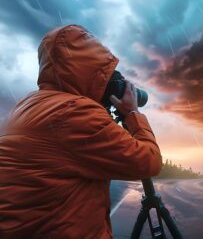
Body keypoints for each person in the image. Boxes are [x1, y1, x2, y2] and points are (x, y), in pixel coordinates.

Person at [0, 25, 162, 238]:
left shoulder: (23, 107)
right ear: (92, 74)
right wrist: (132, 114)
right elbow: (148, 162)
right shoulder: (76, 112)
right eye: (104, 76)